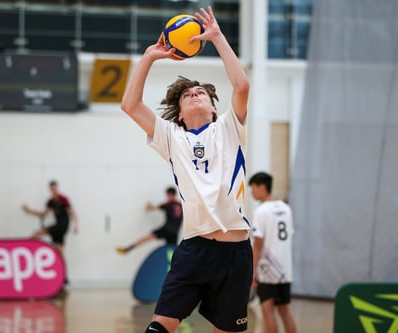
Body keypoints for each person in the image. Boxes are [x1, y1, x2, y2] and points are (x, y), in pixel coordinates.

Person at [121, 6, 252, 333]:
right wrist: (149, 58)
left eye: (201, 93)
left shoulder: (229, 127)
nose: (195, 94)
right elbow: (130, 106)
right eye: (188, 94)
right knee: (159, 327)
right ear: (179, 114)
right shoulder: (171, 136)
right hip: (194, 248)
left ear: (213, 106)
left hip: (236, 252)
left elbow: (242, 87)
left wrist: (219, 39)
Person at [248, 172, 297, 333]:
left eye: (253, 188)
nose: (252, 192)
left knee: (267, 311)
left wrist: (253, 271)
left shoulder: (261, 211)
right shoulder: (286, 208)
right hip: (285, 270)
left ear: (262, 187)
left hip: (267, 270)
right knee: (284, 311)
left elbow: (257, 244)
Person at [116, 186, 183, 254]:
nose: (167, 198)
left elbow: (153, 207)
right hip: (175, 232)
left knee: (146, 238)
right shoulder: (181, 205)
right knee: (172, 251)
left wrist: (148, 206)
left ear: (170, 194)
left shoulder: (168, 204)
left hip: (167, 229)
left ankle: (127, 249)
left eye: (167, 196)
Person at [22, 180, 79, 255]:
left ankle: (26, 247)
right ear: (50, 190)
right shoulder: (50, 201)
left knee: (37, 233)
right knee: (59, 249)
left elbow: (72, 212)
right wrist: (29, 210)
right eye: (52, 189)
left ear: (58, 188)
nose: (54, 191)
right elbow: (43, 213)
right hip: (58, 225)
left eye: (55, 189)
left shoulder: (63, 199)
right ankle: (61, 264)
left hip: (63, 225)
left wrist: (76, 225)